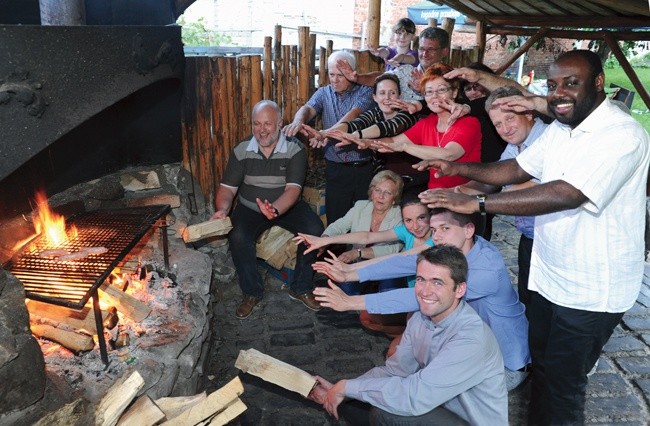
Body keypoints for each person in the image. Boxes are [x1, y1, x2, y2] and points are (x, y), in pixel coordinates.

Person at [418, 50, 650, 425]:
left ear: (597, 83)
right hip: (551, 277)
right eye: (553, 84)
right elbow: (516, 167)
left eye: (571, 83)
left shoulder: (622, 134)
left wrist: (478, 203)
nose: (559, 93)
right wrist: (455, 166)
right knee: (541, 368)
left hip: (592, 290)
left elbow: (566, 192)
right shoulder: (561, 129)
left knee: (562, 385)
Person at [312, 208, 531, 391]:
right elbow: (407, 263)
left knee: (422, 392)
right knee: (401, 352)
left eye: (445, 228)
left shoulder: (486, 270)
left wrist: (351, 302)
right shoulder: (464, 248)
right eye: (434, 230)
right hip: (467, 343)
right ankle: (344, 391)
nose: (437, 236)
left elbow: (417, 297)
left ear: (468, 230)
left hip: (503, 367)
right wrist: (350, 274)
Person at [308, 245, 508, 425]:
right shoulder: (420, 318)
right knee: (349, 403)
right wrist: (340, 389)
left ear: (460, 289)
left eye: (437, 282)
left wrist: (348, 388)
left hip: (467, 421)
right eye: (421, 280)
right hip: (437, 406)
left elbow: (415, 397)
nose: (425, 291)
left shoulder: (471, 338)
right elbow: (394, 371)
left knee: (388, 414)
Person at [210, 100, 325, 319]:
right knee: (238, 236)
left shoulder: (295, 148)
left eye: (268, 124)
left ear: (280, 124)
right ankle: (251, 292)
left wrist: (275, 209)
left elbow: (293, 190)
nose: (261, 130)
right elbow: (227, 188)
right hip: (250, 206)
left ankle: (300, 287)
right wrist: (223, 210)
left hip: (286, 205)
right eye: (256, 124)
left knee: (314, 229)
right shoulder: (242, 149)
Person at [456, 85, 548, 311]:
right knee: (529, 299)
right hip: (530, 236)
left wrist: (475, 199)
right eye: (498, 124)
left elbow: (542, 186)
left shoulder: (546, 138)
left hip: (552, 239)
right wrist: (458, 191)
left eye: (509, 118)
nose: (505, 128)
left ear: (528, 113)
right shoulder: (513, 145)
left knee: (547, 308)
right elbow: (494, 178)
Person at [283, 50, 376, 224]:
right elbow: (308, 108)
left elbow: (352, 116)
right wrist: (298, 121)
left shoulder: (366, 92)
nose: (334, 79)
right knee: (336, 219)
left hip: (362, 168)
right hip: (335, 168)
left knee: (364, 220)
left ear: (352, 73)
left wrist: (325, 133)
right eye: (332, 74)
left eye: (340, 75)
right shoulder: (323, 92)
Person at [300, 73, 425, 196]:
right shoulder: (374, 113)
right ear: (374, 97)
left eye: (392, 93)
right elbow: (353, 124)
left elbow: (388, 127)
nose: (387, 97)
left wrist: (355, 136)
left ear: (400, 96)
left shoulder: (407, 114)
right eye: (382, 93)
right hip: (385, 181)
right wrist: (325, 133)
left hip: (413, 180)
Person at [371, 63, 482, 190]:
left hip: (463, 198)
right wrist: (365, 142)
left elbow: (449, 154)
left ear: (455, 92)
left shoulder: (469, 123)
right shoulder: (427, 123)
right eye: (429, 92)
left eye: (441, 90)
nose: (434, 96)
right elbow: (393, 141)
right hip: (433, 194)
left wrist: (404, 147)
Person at [296, 194, 433, 290]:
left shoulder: (437, 239)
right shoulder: (406, 231)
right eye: (409, 220)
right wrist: (324, 240)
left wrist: (349, 269)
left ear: (432, 215)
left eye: (421, 218)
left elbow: (398, 258)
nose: (415, 226)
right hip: (414, 289)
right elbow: (367, 237)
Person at [311, 170, 405, 294]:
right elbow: (340, 225)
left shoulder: (400, 215)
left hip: (385, 266)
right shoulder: (361, 207)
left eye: (387, 193)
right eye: (377, 190)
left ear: (394, 198)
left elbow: (392, 249)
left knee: (388, 292)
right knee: (347, 292)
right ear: (371, 193)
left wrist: (358, 253)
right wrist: (324, 240)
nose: (381, 196)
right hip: (358, 263)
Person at [337, 27, 450, 102]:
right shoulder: (406, 71)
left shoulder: (451, 78)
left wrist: (425, 89)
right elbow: (380, 78)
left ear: (444, 51)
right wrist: (357, 78)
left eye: (431, 49)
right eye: (421, 49)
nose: (424, 54)